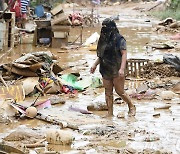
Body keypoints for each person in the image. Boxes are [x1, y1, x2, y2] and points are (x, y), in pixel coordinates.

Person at [90, 18, 136, 117]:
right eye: (103, 27)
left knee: (120, 91)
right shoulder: (103, 39)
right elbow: (101, 56)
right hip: (105, 68)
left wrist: (122, 69)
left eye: (106, 27)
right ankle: (110, 113)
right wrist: (94, 64)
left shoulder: (120, 39)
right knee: (108, 92)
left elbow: (124, 54)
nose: (104, 29)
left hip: (117, 67)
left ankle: (131, 106)